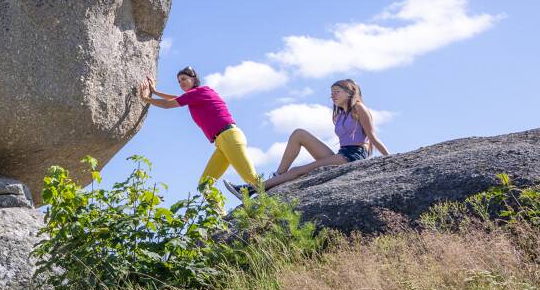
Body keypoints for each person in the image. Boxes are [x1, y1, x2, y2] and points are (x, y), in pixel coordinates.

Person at [243, 79, 390, 193]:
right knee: (298, 134)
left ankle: (254, 189)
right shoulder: (339, 116)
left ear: (349, 92)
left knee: (298, 170)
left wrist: (390, 159)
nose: (332, 96)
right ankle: (277, 176)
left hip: (354, 155)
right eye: (331, 93)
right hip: (342, 154)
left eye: (336, 92)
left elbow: (372, 137)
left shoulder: (358, 108)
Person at [139, 67, 264, 195]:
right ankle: (222, 214)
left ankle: (273, 204)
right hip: (222, 142)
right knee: (204, 186)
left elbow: (167, 104)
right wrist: (155, 91)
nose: (181, 83)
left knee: (253, 180)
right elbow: (177, 98)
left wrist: (145, 98)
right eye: (178, 81)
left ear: (193, 79)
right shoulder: (195, 96)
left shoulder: (201, 91)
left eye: (184, 79)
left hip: (229, 137)